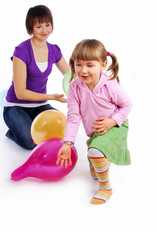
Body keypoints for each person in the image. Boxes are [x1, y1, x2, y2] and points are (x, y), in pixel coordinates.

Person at [57, 39, 132, 204]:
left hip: (116, 125)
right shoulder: (74, 88)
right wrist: (67, 143)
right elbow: (73, 116)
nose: (83, 70)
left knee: (95, 152)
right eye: (79, 65)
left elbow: (127, 105)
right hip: (96, 131)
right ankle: (99, 160)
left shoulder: (110, 85)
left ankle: (106, 188)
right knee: (95, 167)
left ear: (103, 65)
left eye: (90, 65)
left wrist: (112, 121)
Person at [3, 5, 69, 150]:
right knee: (30, 143)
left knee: (66, 132)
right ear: (30, 28)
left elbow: (70, 76)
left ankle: (31, 123)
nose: (44, 30)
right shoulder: (21, 51)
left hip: (40, 106)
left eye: (47, 25)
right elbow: (21, 93)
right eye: (39, 26)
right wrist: (51, 96)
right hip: (16, 106)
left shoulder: (54, 50)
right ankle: (13, 132)